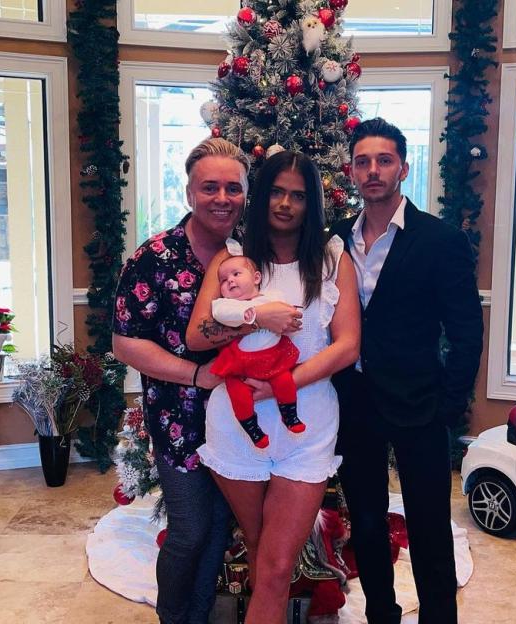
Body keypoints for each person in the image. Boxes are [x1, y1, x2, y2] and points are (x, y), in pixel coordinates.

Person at [186, 150, 361, 623]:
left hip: (306, 425)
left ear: (312, 203)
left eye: (298, 195)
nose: (285, 204)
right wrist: (253, 315)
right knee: (264, 548)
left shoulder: (331, 259)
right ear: (262, 197)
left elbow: (346, 346)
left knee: (279, 563)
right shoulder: (233, 259)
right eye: (277, 192)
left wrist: (283, 384)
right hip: (237, 425)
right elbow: (197, 335)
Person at [329, 118, 484, 624]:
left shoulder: (440, 240)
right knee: (368, 523)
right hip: (353, 404)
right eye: (363, 161)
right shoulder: (335, 241)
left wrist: (449, 406)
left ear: (403, 168)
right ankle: (381, 615)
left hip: (421, 404)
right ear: (351, 171)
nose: (373, 170)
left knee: (429, 525)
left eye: (384, 160)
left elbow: (465, 333)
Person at [112, 137, 249, 624]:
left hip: (239, 421)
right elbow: (126, 343)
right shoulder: (154, 258)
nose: (222, 198)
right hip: (178, 421)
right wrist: (198, 376)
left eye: (233, 187)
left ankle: (200, 616)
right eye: (209, 187)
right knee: (190, 530)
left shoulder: (249, 256)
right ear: (189, 192)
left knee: (218, 529)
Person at [210, 254, 303, 448]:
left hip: (272, 358)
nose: (231, 281)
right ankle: (252, 429)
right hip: (240, 365)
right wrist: (252, 314)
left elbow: (284, 311)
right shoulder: (225, 304)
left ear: (256, 278)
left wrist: (290, 316)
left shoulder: (272, 296)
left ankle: (290, 416)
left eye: (236, 274)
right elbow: (221, 314)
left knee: (285, 382)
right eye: (224, 280)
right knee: (238, 396)